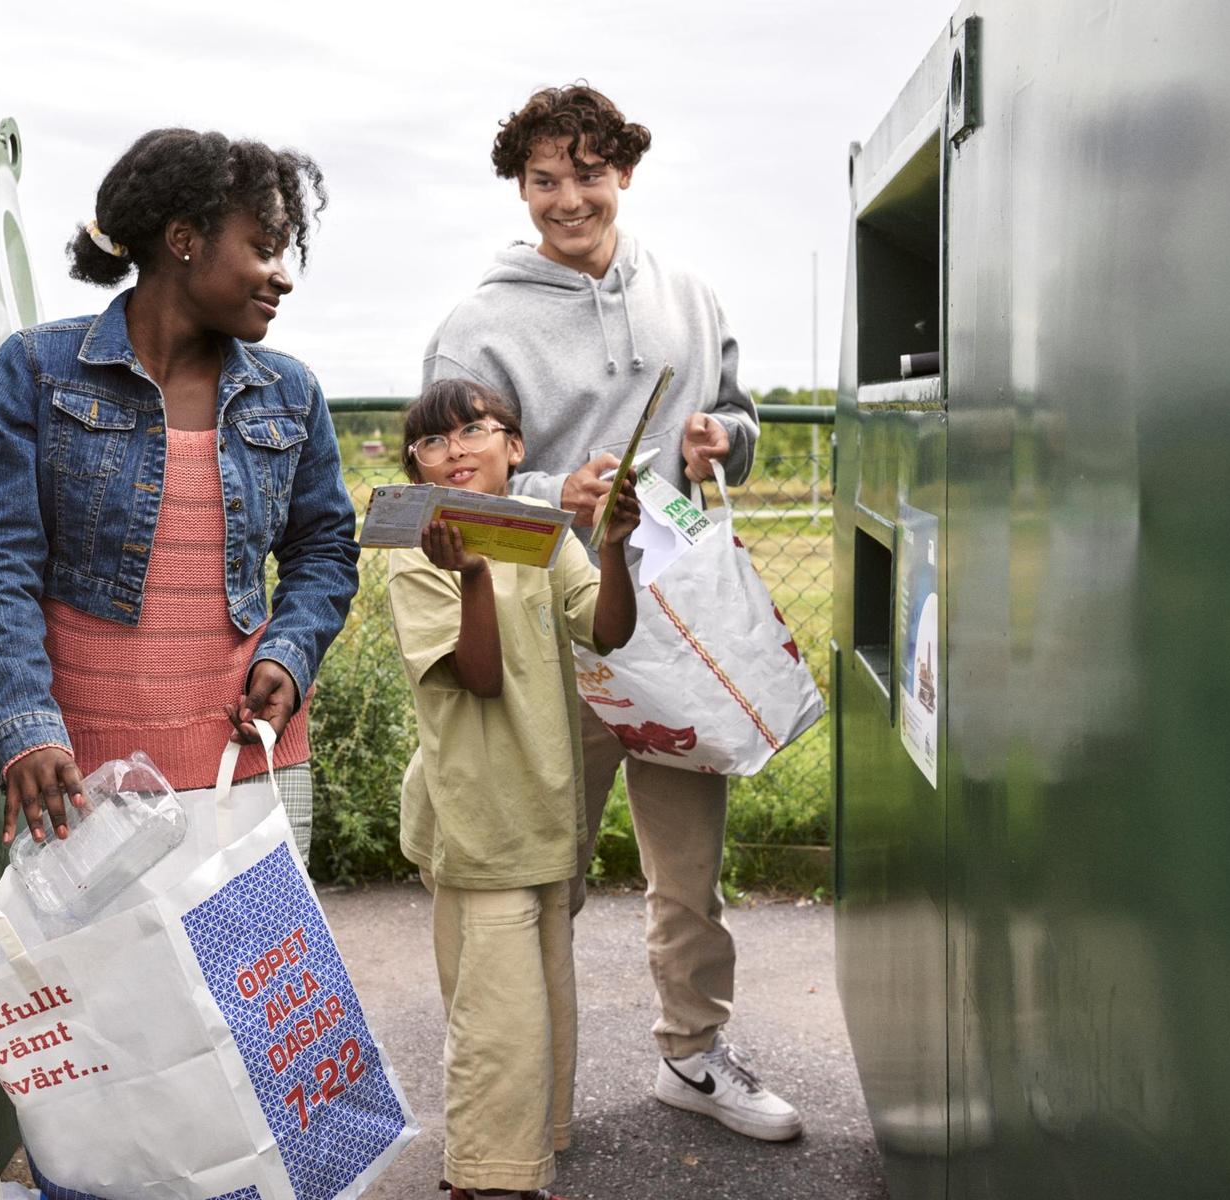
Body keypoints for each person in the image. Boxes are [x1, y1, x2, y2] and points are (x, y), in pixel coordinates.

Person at [422, 83, 801, 1141]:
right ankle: (524, 1091)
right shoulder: (476, 326)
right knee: (546, 873)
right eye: (544, 179)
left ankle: (691, 1054)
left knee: (688, 873)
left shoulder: (686, 291)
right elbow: (451, 488)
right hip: (554, 632)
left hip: (679, 629)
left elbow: (737, 411)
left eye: (587, 173)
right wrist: (555, 497)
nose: (566, 198)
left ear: (623, 173)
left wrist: (728, 439)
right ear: (520, 187)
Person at [0, 129, 358, 858]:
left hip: (253, 766)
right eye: (265, 248)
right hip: (78, 775)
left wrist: (291, 656)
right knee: (102, 976)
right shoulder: (38, 372)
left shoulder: (290, 392)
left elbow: (326, 549)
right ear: (184, 240)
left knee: (249, 974)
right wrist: (26, 728)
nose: (283, 275)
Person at [386, 378, 641, 1199]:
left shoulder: (545, 537)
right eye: (432, 441)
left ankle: (527, 1151)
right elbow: (482, 679)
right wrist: (470, 578)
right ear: (415, 467)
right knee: (498, 1023)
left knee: (542, 1003)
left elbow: (607, 629)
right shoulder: (418, 554)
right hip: (478, 821)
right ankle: (488, 1178)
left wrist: (609, 544)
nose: (454, 449)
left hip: (543, 812)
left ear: (515, 447)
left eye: (472, 430)